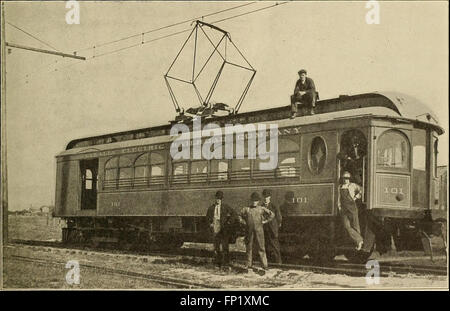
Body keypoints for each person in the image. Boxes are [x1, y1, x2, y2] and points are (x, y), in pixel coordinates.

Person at [239, 192, 274, 271]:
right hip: (249, 231)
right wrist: (244, 222)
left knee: (261, 247)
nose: (254, 202)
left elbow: (272, 214)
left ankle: (265, 265)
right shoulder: (246, 209)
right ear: (251, 200)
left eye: (256, 201)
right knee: (249, 248)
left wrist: (265, 221)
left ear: (258, 201)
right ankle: (249, 265)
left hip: (259, 231)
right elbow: (239, 215)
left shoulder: (261, 208)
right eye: (253, 200)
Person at [206, 191, 238, 266]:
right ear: (215, 199)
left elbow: (234, 214)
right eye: (217, 198)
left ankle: (226, 262)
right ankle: (217, 261)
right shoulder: (211, 207)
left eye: (219, 199)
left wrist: (229, 222)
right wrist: (210, 223)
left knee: (225, 245)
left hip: (223, 227)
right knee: (216, 245)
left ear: (221, 199)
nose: (218, 200)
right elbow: (207, 217)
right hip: (215, 226)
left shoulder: (225, 207)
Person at [339, 171, 364, 251]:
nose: (346, 180)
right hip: (344, 209)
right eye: (344, 178)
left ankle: (359, 244)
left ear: (349, 179)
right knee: (346, 226)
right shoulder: (339, 187)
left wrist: (356, 197)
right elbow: (338, 199)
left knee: (355, 226)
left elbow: (362, 190)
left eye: (347, 178)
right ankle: (359, 240)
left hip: (352, 207)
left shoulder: (352, 185)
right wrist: (339, 207)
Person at [262, 189, 282, 264]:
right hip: (264, 228)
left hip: (272, 228)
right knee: (266, 245)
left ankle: (278, 262)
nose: (265, 198)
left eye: (267, 197)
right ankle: (268, 261)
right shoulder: (262, 206)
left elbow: (279, 216)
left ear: (269, 197)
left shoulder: (274, 205)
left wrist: (278, 224)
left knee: (275, 245)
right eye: (264, 197)